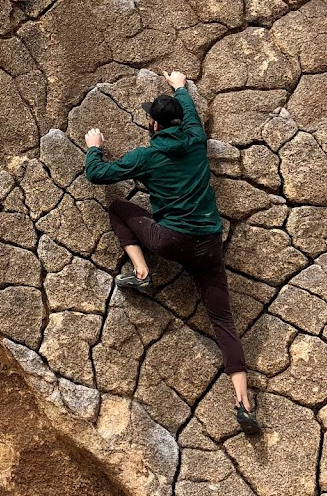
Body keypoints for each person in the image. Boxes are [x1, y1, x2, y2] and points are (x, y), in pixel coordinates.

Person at [82, 71, 259, 436]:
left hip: (170, 240)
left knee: (118, 209)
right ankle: (244, 401)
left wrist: (93, 147)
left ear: (152, 123)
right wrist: (179, 86)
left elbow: (99, 174)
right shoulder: (195, 139)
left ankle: (142, 273)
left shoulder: (146, 155)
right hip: (209, 242)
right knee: (223, 321)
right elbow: (192, 116)